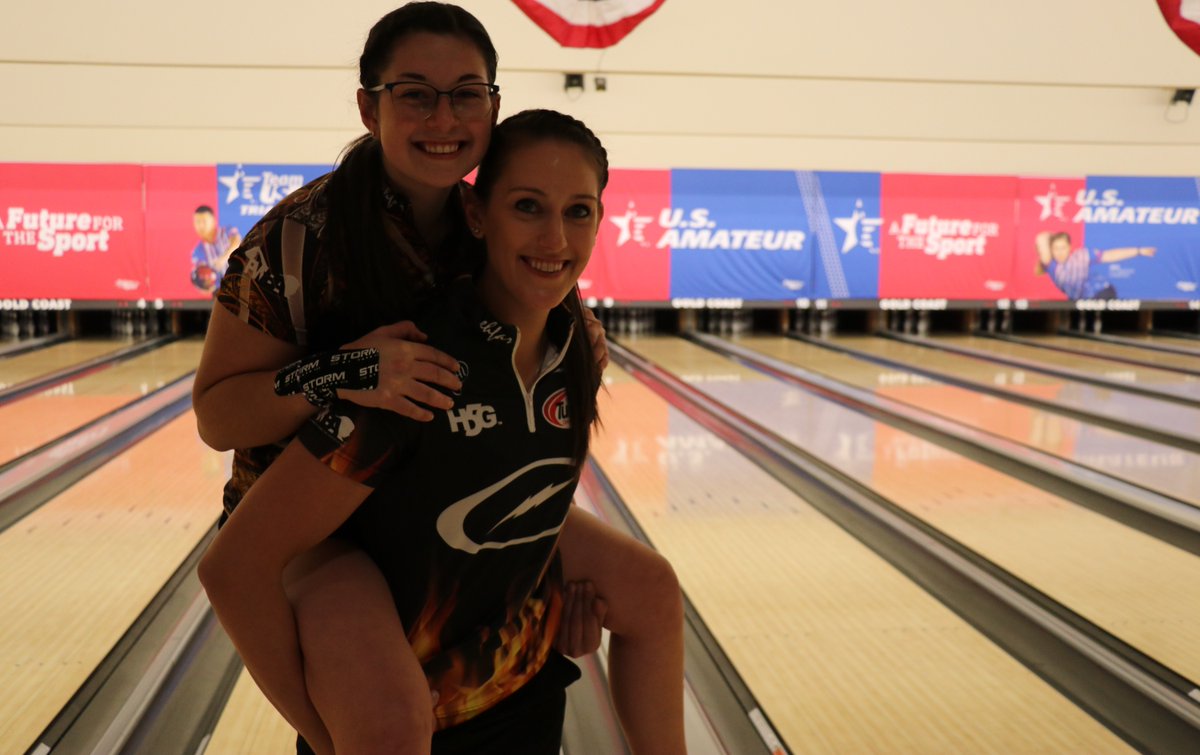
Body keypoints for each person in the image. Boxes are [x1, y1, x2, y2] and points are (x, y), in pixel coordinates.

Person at [192, 4, 684, 753]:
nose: (443, 116)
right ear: (369, 104)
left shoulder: (494, 221)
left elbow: (526, 422)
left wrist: (534, 573)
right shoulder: (295, 239)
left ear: (493, 103)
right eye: (415, 92)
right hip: (318, 517)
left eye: (466, 93)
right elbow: (218, 418)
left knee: (646, 588)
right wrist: (345, 370)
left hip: (439, 490)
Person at [1034, 230, 1155, 300]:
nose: (1060, 252)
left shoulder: (1081, 255)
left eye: (1063, 248)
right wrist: (1051, 237)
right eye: (1056, 248)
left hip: (1103, 291)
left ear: (1070, 248)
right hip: (1082, 300)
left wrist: (1138, 251)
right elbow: (1041, 238)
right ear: (1050, 250)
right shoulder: (1051, 265)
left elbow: (1110, 255)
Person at [190, 205, 241, 292]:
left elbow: (236, 242)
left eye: (204, 221)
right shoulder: (197, 252)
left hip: (244, 279)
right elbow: (204, 281)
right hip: (226, 290)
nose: (201, 225)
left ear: (213, 220)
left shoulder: (226, 231)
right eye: (197, 222)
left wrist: (224, 258)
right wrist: (207, 286)